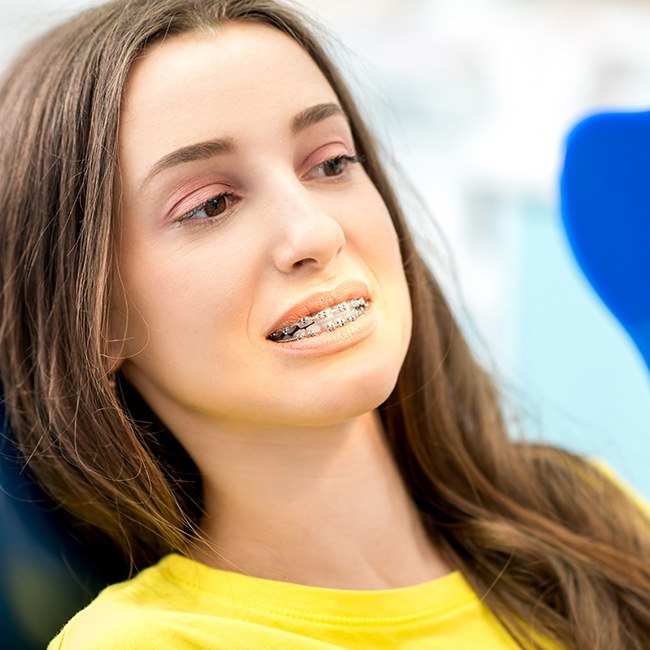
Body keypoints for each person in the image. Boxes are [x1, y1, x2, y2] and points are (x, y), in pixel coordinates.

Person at [0, 1, 647, 648]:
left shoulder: (585, 508)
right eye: (211, 204)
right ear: (94, 320)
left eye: (332, 163)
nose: (316, 230)